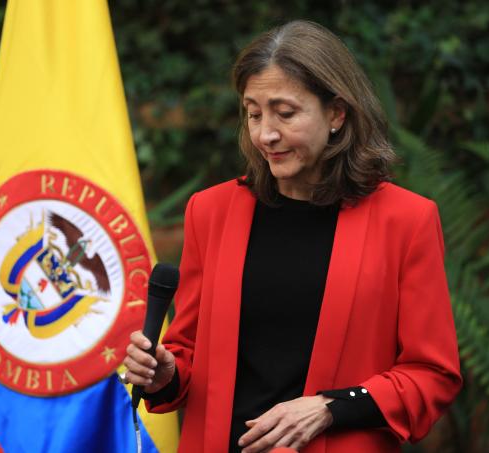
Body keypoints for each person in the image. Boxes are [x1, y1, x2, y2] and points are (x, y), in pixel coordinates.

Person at [124, 20, 462, 452]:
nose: (265, 134)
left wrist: (329, 407)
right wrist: (166, 373)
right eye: (254, 113)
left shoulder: (406, 221)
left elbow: (432, 375)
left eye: (285, 113)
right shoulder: (210, 212)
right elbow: (187, 354)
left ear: (336, 113)